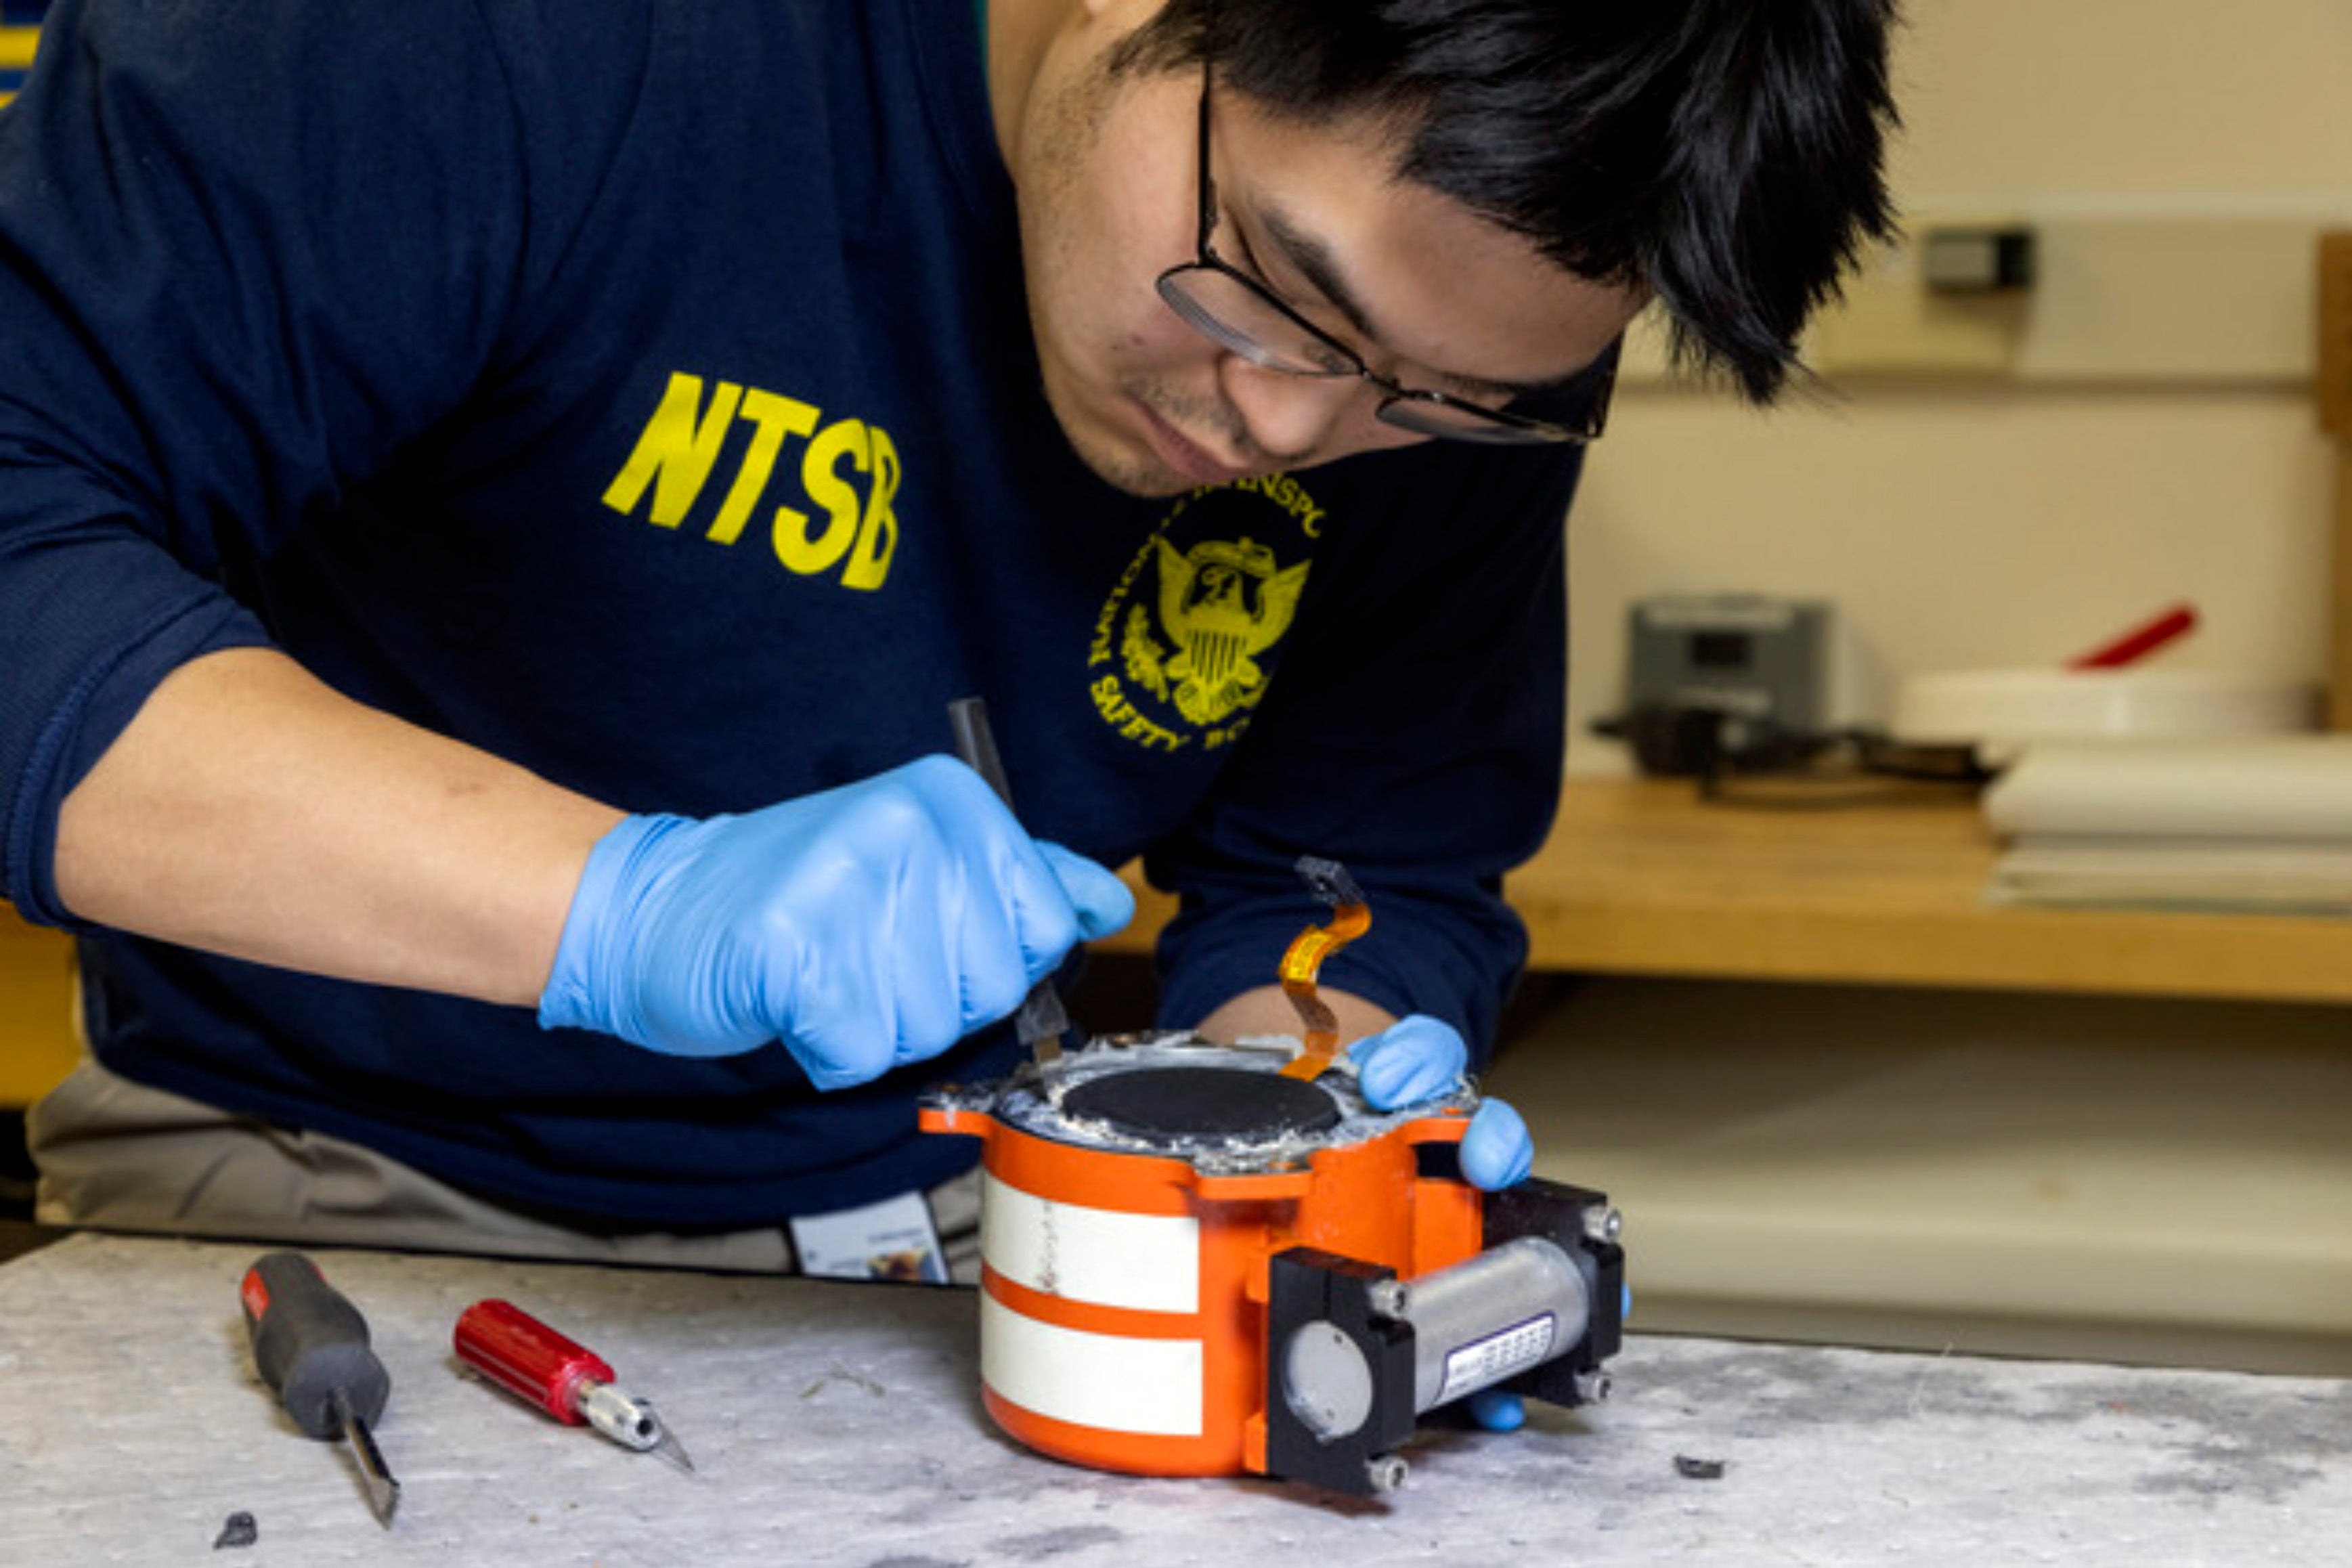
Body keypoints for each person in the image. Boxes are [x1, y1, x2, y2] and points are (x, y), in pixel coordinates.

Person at [0, 0, 1898, 1306]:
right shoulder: (504, 43)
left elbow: (1360, 853)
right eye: (1274, 296)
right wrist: (619, 905)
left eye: (1449, 398)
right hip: (328, 1186)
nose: (1293, 428)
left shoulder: (1437, 363)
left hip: (992, 1215)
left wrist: (1293, 1108)